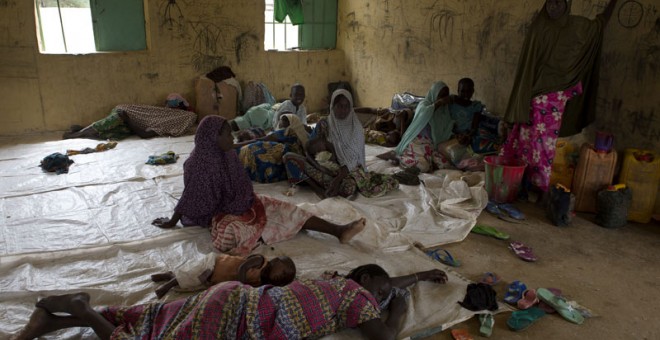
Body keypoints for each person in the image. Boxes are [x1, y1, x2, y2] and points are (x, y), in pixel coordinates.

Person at [12, 264, 447, 340]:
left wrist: (418, 276)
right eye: (382, 290)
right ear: (365, 281)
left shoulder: (331, 281)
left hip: (231, 298)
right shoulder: (357, 297)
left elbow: (387, 279)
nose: (383, 298)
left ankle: (48, 321)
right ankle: (83, 308)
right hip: (242, 316)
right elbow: (387, 335)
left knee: (151, 318)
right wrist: (402, 299)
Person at [152, 115, 366, 255]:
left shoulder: (224, 153)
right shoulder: (199, 165)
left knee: (290, 210)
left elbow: (237, 152)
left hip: (246, 202)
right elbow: (191, 197)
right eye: (227, 133)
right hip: (220, 213)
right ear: (212, 137)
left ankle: (338, 230)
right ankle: (265, 230)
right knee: (235, 235)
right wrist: (172, 222)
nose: (231, 137)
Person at [501, 0, 618, 193]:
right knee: (523, 142)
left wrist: (613, 3)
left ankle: (539, 188)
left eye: (559, 2)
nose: (553, 7)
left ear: (567, 4)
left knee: (544, 147)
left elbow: (599, 25)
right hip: (530, 98)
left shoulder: (577, 28)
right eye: (550, 2)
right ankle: (520, 182)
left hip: (553, 100)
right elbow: (526, 67)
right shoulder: (539, 27)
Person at [284, 89, 399, 199]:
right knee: (288, 157)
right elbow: (309, 150)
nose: (343, 110)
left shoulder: (356, 128)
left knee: (349, 188)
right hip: (323, 167)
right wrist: (319, 166)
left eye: (346, 106)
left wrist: (337, 179)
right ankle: (318, 189)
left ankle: (322, 184)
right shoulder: (324, 124)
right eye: (339, 106)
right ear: (332, 107)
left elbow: (353, 161)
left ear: (351, 107)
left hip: (348, 172)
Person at [378, 81, 454, 172]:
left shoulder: (444, 112)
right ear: (434, 93)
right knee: (422, 167)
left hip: (431, 146)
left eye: (446, 95)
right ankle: (398, 157)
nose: (444, 98)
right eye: (441, 95)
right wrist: (438, 103)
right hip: (416, 141)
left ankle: (404, 157)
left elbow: (446, 130)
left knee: (445, 166)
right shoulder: (424, 104)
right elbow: (425, 114)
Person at [150, 254, 295, 298]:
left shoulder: (260, 281)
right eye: (282, 272)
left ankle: (169, 275)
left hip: (215, 278)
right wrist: (242, 286)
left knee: (193, 281)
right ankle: (167, 285)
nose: (281, 277)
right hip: (214, 264)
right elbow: (243, 267)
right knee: (193, 276)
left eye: (284, 279)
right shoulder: (261, 261)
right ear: (275, 261)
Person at [62, 94, 197, 140]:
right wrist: (127, 119)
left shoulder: (171, 125)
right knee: (113, 122)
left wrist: (128, 121)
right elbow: (144, 134)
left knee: (115, 135)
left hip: (128, 122)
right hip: (124, 113)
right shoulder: (176, 116)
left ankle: (85, 130)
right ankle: (78, 134)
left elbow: (144, 134)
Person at [236, 114, 310, 183]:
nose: (281, 122)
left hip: (285, 153)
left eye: (285, 120)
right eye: (282, 119)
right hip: (290, 158)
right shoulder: (302, 133)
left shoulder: (284, 131)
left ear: (291, 122)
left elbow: (262, 139)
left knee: (255, 148)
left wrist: (237, 145)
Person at [449, 78, 484, 146]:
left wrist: (468, 135)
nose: (466, 94)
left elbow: (474, 127)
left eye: (469, 91)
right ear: (458, 91)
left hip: (468, 135)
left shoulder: (475, 106)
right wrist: (456, 136)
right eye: (462, 91)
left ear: (472, 91)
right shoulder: (451, 104)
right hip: (452, 135)